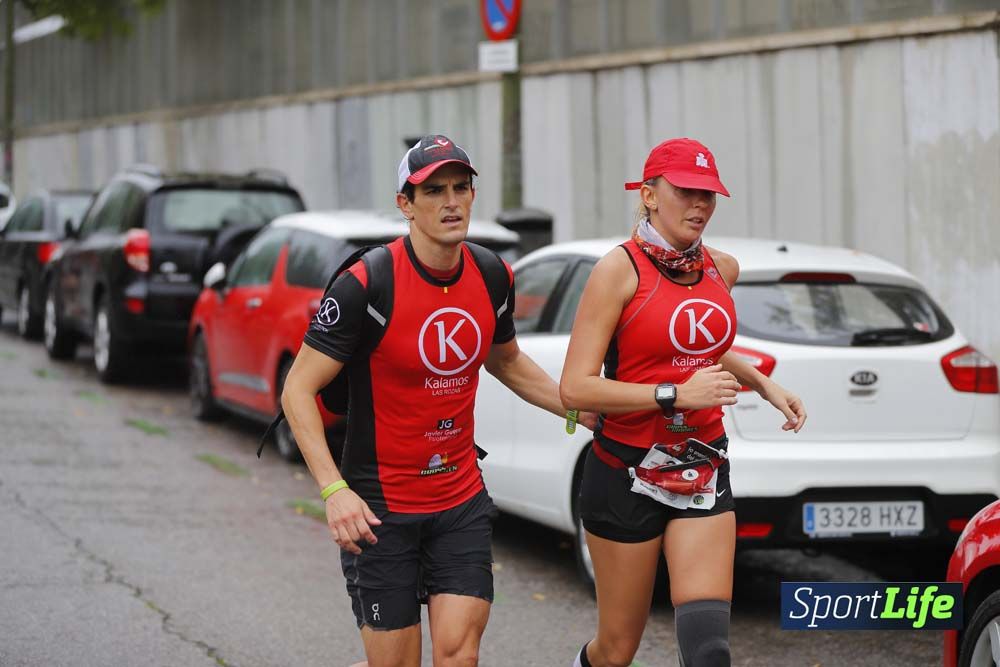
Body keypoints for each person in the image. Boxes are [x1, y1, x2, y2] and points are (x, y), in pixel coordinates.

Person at [281, 134, 595, 667]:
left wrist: (575, 407)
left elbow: (506, 361)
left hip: (458, 500)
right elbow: (297, 389)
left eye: (461, 188)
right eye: (433, 191)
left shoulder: (491, 275)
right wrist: (334, 491)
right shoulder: (367, 283)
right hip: (379, 507)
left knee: (458, 656)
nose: (451, 202)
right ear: (405, 204)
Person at [559, 138, 807, 667]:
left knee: (709, 652)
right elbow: (575, 388)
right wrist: (674, 395)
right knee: (616, 651)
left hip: (701, 465)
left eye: (708, 194)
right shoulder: (617, 271)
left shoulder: (723, 269)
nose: (699, 205)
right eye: (685, 192)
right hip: (625, 472)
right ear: (649, 195)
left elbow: (697, 345)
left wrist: (764, 383)